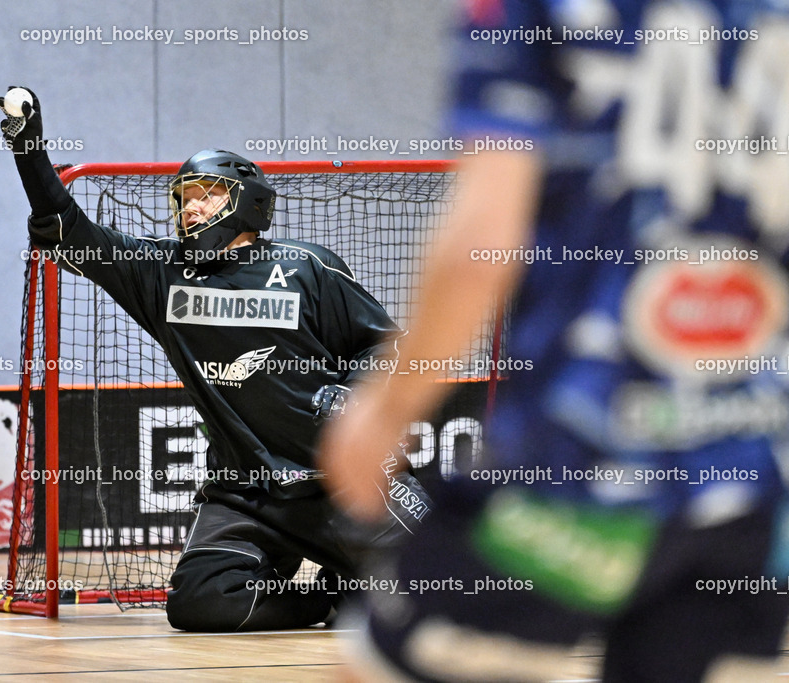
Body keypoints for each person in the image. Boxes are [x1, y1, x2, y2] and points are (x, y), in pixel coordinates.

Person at [319, 1, 789, 680]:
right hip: (752, 488)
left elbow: (480, 242)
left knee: (373, 667)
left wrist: (387, 407)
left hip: (579, 463)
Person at [0, 89, 431, 632]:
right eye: (184, 197)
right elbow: (67, 231)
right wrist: (28, 149)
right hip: (244, 497)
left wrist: (356, 393)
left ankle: (359, 575)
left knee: (440, 587)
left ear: (247, 201)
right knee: (200, 604)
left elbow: (389, 348)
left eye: (207, 193)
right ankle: (329, 600)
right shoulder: (163, 272)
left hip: (345, 483)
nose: (191, 207)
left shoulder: (308, 268)